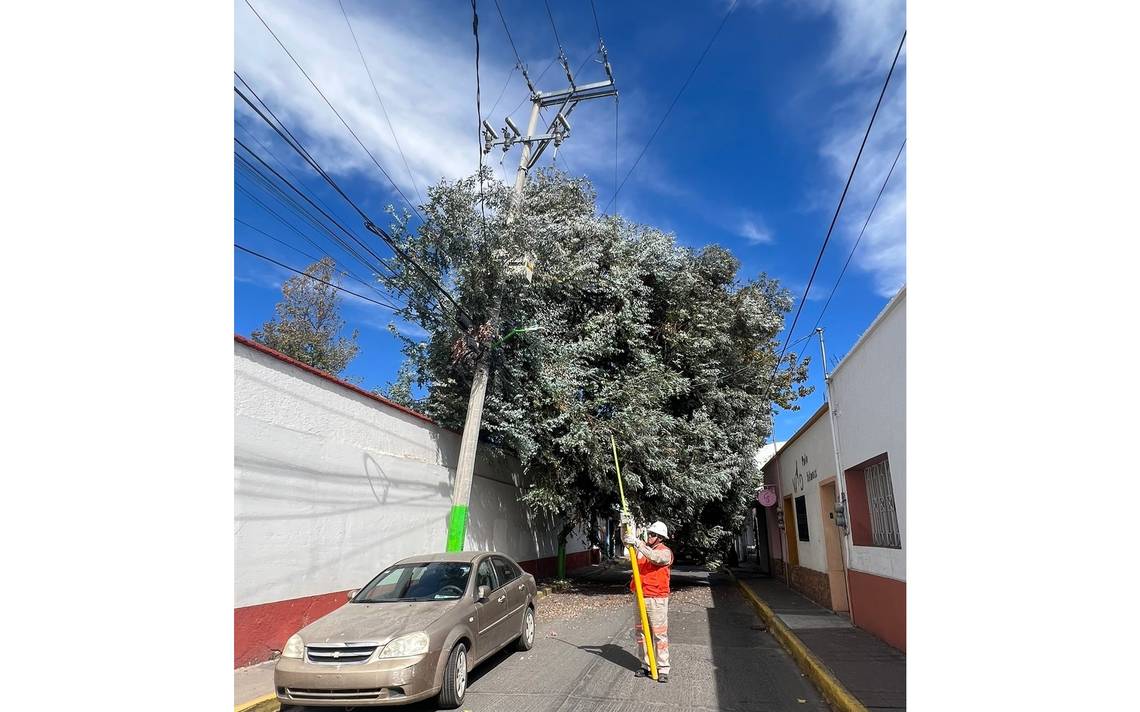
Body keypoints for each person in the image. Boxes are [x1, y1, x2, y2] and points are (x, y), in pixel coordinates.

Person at [623, 520, 673, 683]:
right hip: (640, 596)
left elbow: (655, 558)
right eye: (649, 534)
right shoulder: (642, 550)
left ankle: (663, 667)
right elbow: (627, 549)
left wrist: (638, 543)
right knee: (641, 632)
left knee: (659, 634)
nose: (649, 536)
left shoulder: (665, 552)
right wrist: (625, 526)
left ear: (660, 537)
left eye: (652, 534)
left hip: (656, 598)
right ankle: (645, 664)